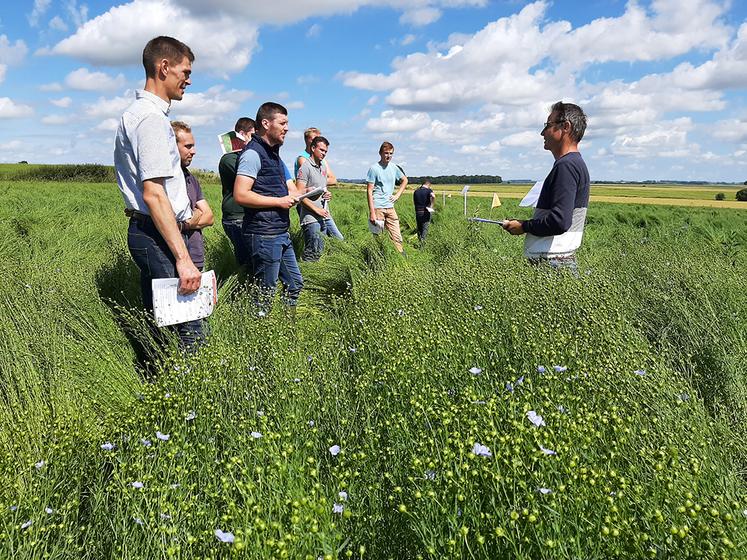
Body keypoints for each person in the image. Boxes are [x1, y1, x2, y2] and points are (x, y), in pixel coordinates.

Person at [113, 35, 202, 349]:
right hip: (157, 234)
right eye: (185, 72)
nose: (188, 80)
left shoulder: (137, 114)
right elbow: (153, 193)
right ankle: (187, 391)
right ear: (164, 67)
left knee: (162, 327)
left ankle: (156, 379)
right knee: (190, 331)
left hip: (150, 230)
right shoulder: (151, 119)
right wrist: (184, 259)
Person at [503, 101, 590, 274]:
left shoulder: (566, 166)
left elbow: (560, 221)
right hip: (559, 259)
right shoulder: (574, 163)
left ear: (565, 127)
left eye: (547, 125)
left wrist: (524, 226)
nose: (542, 132)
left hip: (553, 262)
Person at [233, 102, 303, 311]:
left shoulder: (273, 154)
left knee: (295, 284)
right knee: (266, 292)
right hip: (263, 234)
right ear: (266, 123)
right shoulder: (253, 154)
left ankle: (285, 327)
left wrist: (305, 194)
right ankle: (259, 333)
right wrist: (279, 202)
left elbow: (288, 189)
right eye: (282, 123)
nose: (287, 128)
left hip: (280, 232)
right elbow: (240, 194)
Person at [172, 121, 214, 271]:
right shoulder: (166, 180)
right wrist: (195, 214)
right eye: (188, 146)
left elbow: (209, 217)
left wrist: (184, 225)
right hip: (174, 258)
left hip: (196, 256)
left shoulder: (191, 178)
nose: (194, 151)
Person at [296, 136, 344, 261]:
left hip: (323, 214)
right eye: (321, 150)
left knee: (320, 251)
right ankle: (305, 277)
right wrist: (316, 210)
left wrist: (326, 194)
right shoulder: (305, 168)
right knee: (313, 253)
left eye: (325, 151)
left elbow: (322, 188)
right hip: (311, 218)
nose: (324, 153)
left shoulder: (323, 168)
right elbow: (299, 195)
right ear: (312, 148)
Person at [219, 117, 255, 267]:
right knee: (246, 261)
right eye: (253, 136)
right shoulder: (229, 159)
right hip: (236, 217)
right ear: (242, 134)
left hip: (247, 215)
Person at [366, 141, 407, 253]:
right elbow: (369, 191)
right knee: (379, 238)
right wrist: (372, 212)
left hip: (390, 207)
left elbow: (405, 180)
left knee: (397, 236)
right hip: (378, 207)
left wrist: (397, 195)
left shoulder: (394, 168)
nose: (388, 156)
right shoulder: (374, 169)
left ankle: (400, 258)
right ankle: (379, 259)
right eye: (386, 153)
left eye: (391, 153)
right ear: (380, 153)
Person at [413, 179, 435, 243]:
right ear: (428, 184)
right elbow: (433, 196)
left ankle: (419, 241)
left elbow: (414, 202)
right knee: (425, 228)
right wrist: (431, 205)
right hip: (425, 212)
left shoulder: (416, 191)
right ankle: (422, 245)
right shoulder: (429, 190)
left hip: (417, 211)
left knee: (419, 228)